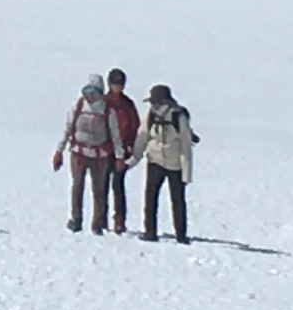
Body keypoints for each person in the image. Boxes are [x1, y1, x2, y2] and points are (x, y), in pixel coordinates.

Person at [58, 76, 126, 234]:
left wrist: (119, 156)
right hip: (78, 154)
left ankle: (97, 223)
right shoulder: (78, 107)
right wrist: (59, 150)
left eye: (94, 92)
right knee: (77, 187)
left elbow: (115, 136)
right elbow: (68, 129)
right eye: (87, 91)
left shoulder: (108, 111)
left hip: (99, 156)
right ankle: (76, 220)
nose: (90, 96)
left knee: (99, 190)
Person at [136, 82, 196, 241]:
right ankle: (150, 231)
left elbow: (185, 145)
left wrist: (187, 173)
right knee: (150, 197)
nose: (153, 105)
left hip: (175, 163)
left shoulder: (178, 116)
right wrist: (134, 158)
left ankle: (181, 234)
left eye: (155, 102)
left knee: (177, 200)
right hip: (154, 160)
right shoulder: (150, 115)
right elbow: (142, 136)